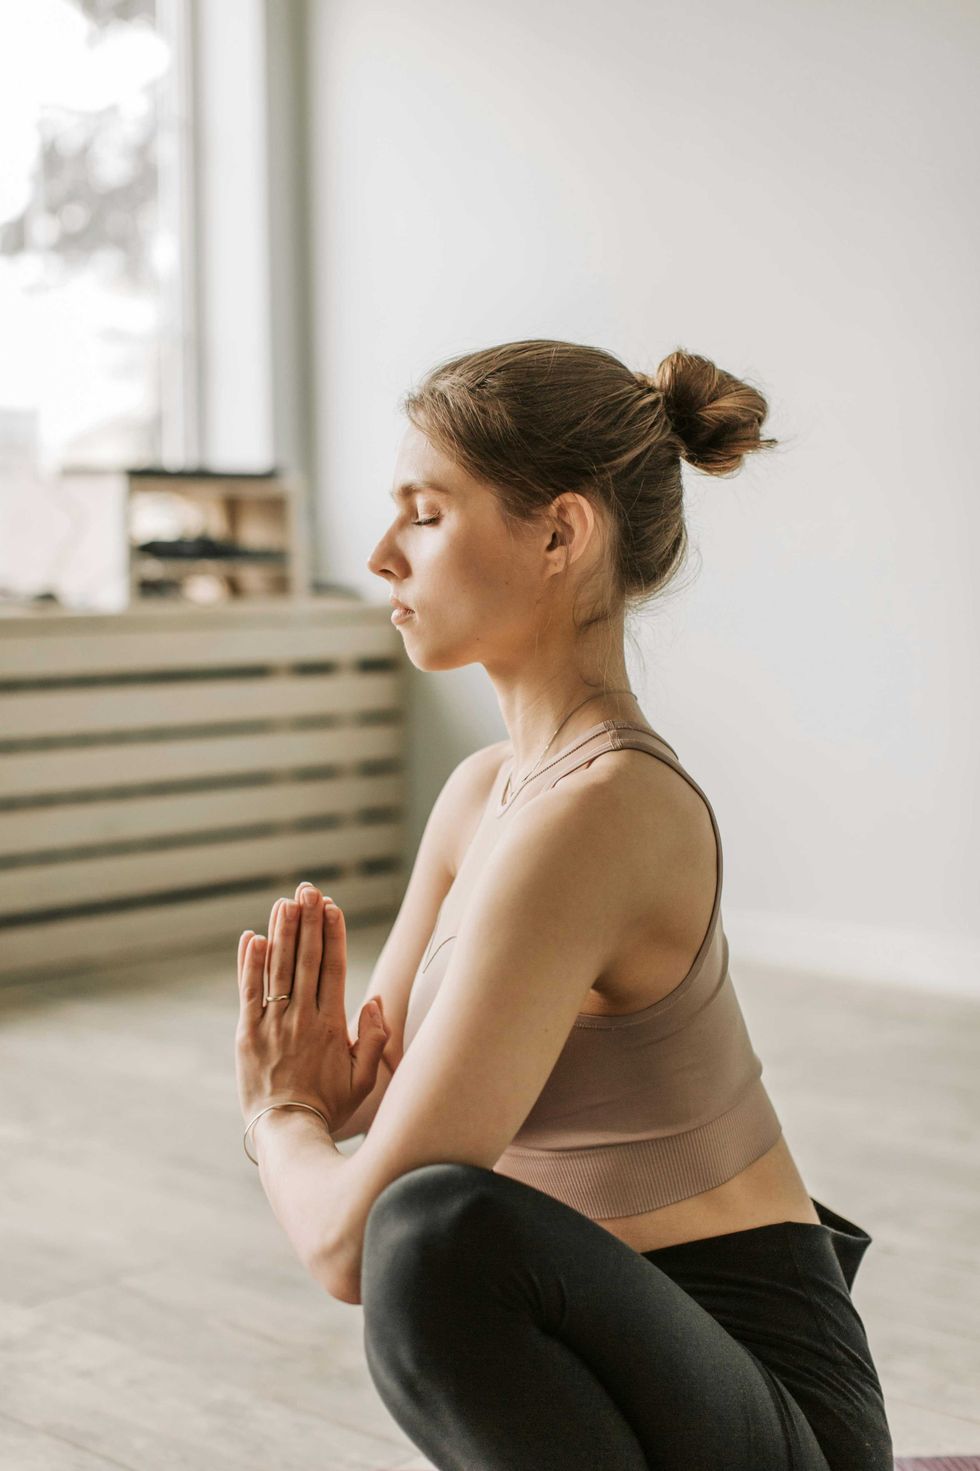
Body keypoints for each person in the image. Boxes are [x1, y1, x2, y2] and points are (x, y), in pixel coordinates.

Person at [350, 339, 892, 1469]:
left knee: (429, 1235)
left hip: (779, 1416)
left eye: (426, 514)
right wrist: (317, 1104)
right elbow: (368, 1092)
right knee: (427, 1223)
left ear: (558, 532)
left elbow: (354, 1232)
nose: (380, 555)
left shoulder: (603, 809)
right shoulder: (479, 794)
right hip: (639, 1377)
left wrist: (277, 1123)